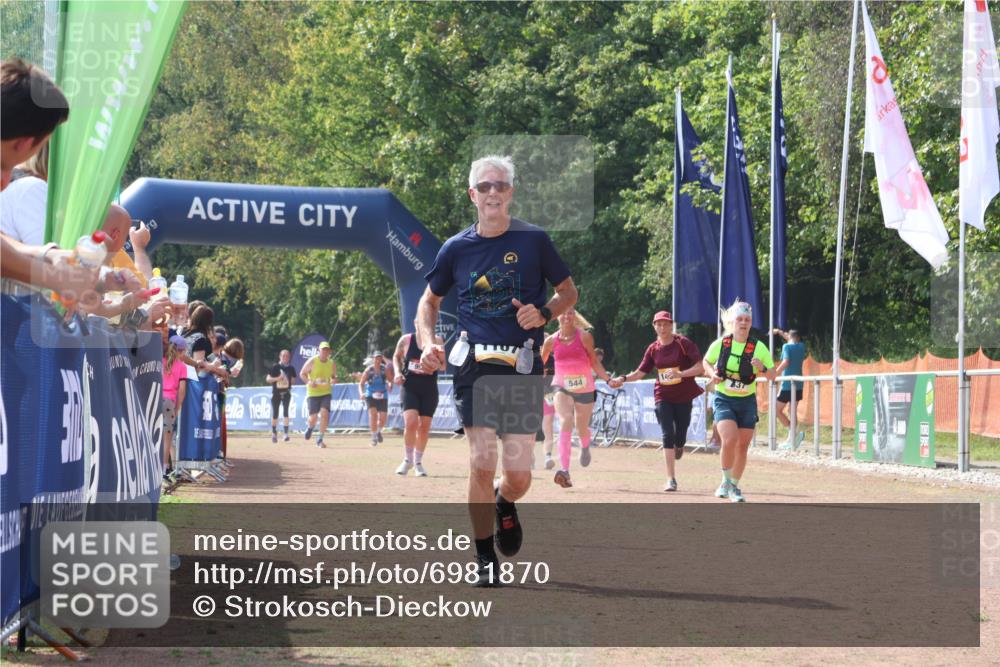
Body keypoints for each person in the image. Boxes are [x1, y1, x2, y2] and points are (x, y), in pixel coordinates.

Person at [416, 155, 578, 587]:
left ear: (511, 193)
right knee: (482, 461)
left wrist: (543, 312)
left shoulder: (535, 240)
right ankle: (484, 557)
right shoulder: (456, 248)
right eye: (484, 186)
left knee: (519, 475)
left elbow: (568, 292)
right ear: (472, 195)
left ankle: (505, 504)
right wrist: (428, 340)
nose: (493, 193)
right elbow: (427, 303)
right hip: (474, 366)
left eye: (500, 186)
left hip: (522, 364)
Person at [610, 311, 703, 492]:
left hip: (684, 396)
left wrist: (681, 374)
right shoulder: (653, 349)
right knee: (667, 433)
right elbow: (639, 373)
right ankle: (671, 479)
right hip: (663, 396)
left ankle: (680, 444)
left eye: (665, 324)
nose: (662, 327)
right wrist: (621, 379)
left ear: (671, 325)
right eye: (658, 324)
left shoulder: (683, 343)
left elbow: (700, 366)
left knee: (680, 433)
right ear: (654, 327)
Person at [702, 300, 777, 502]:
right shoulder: (722, 344)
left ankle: (734, 486)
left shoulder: (759, 347)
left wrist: (761, 367)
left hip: (746, 401)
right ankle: (725, 481)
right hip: (724, 398)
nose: (743, 323)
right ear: (732, 322)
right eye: (740, 319)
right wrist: (712, 374)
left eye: (747, 320)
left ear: (751, 323)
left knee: (743, 446)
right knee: (730, 439)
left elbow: (772, 376)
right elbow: (706, 361)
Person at [540, 308, 611, 488]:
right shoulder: (550, 341)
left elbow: (594, 361)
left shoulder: (585, 337)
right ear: (557, 317)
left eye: (570, 313)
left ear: (574, 317)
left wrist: (609, 379)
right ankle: (565, 471)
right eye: (562, 313)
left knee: (581, 427)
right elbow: (539, 365)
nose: (566, 316)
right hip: (561, 386)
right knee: (566, 420)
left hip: (585, 387)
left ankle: (585, 445)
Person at [392, 325, 443, 476]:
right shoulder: (406, 340)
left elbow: (443, 365)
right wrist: (397, 372)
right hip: (410, 387)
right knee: (411, 422)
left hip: (429, 388)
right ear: (415, 324)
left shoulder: (438, 340)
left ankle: (418, 463)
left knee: (424, 427)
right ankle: (407, 460)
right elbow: (396, 356)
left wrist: (433, 364)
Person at [161, 334, 189, 479]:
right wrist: (177, 408)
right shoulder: (182, 367)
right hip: (169, 401)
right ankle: (163, 470)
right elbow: (182, 391)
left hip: (156, 398)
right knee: (167, 438)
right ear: (182, 351)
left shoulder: (160, 361)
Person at [773, 328, 806, 450]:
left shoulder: (786, 347)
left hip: (787, 384)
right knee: (792, 411)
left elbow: (786, 362)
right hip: (798, 383)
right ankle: (792, 437)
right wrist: (780, 332)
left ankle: (794, 434)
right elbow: (791, 338)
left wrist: (775, 373)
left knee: (776, 410)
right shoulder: (801, 346)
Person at [300, 340, 336, 449]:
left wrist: (334, 380)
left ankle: (320, 438)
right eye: (323, 350)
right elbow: (302, 373)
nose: (325, 352)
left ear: (329, 351)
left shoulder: (332, 363)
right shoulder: (312, 361)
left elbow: (334, 376)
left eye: (327, 350)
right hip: (313, 393)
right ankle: (310, 428)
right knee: (313, 418)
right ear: (319, 350)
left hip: (326, 392)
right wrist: (309, 382)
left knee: (325, 413)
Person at [359, 350, 393, 446]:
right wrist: (361, 393)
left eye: (380, 357)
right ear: (373, 358)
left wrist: (390, 385)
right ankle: (374, 438)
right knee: (373, 416)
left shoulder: (385, 369)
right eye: (376, 358)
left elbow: (390, 380)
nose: (378, 359)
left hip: (383, 394)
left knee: (383, 419)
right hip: (371, 395)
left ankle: (377, 431)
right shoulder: (368, 370)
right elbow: (361, 384)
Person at [266, 349, 296, 443]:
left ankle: (286, 434)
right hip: (276, 393)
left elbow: (293, 380)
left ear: (289, 358)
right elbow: (268, 379)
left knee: (286, 412)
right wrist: (278, 378)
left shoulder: (291, 368)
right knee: (275, 414)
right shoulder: (275, 367)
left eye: (287, 356)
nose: (285, 358)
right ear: (280, 357)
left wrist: (287, 382)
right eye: (283, 356)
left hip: (286, 393)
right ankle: (274, 433)